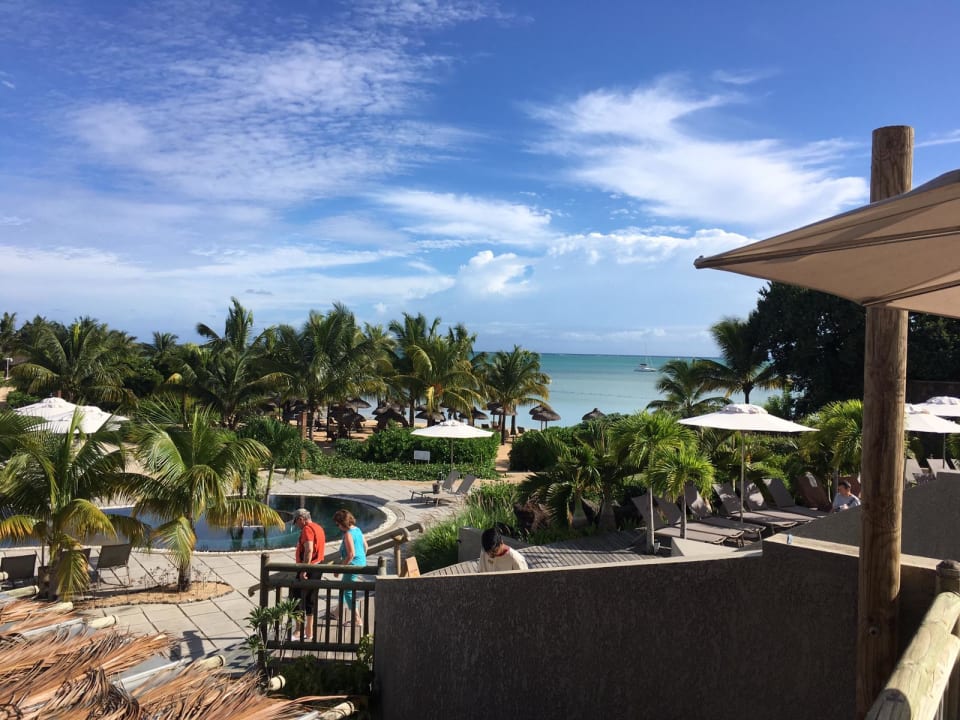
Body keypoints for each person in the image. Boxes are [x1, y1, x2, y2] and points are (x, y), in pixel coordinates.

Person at [291, 508, 325, 640]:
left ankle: (298, 630)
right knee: (311, 598)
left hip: (308, 568)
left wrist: (303, 570)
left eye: (296, 522)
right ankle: (309, 631)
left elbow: (309, 549)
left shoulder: (307, 529)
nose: (297, 525)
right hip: (318, 566)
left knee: (297, 598)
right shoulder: (318, 527)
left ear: (301, 519)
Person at [333, 509, 368, 625]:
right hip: (360, 562)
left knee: (347, 591)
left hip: (352, 565)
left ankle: (357, 619)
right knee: (344, 587)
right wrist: (361, 558)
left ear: (342, 523)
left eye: (337, 524)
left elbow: (351, 554)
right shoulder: (357, 529)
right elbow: (366, 546)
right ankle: (337, 612)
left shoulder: (348, 534)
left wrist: (340, 569)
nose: (338, 527)